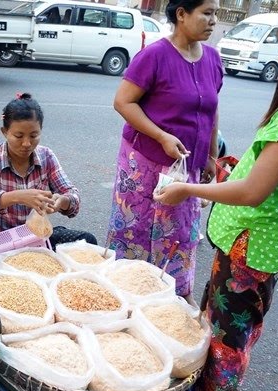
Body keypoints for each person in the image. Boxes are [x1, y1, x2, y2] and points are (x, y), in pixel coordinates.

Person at [154, 1, 278, 391]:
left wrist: (186, 187)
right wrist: (240, 166)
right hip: (268, 251)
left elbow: (253, 192)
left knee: (226, 344)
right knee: (232, 330)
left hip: (250, 247)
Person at [106, 0, 222, 298]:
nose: (213, 21)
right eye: (207, 13)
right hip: (144, 164)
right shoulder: (154, 55)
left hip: (186, 168)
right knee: (137, 231)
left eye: (215, 14)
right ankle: (125, 297)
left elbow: (211, 109)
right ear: (182, 14)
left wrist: (210, 155)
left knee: (179, 235)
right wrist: (161, 136)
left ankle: (171, 297)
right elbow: (123, 102)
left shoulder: (212, 58)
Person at [0, 93, 97, 297]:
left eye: (34, 135)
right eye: (18, 136)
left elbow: (72, 196)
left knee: (87, 241)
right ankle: (27, 291)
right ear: (4, 132)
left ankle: (28, 290)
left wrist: (62, 202)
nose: (27, 144)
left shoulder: (46, 156)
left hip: (36, 238)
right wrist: (17, 196)